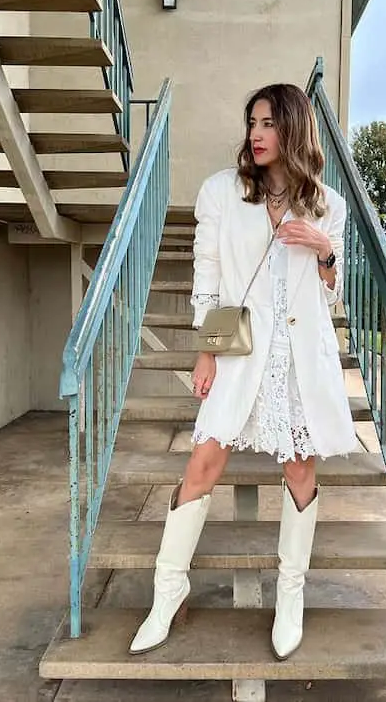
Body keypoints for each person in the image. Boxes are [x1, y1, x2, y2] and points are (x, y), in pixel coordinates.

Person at [129, 83, 357, 660]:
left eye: (267, 123)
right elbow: (206, 274)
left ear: (294, 129)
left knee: (299, 468)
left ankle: (291, 597)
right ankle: (167, 592)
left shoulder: (328, 203)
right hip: (240, 350)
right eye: (251, 122)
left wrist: (324, 251)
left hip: (300, 356)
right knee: (204, 458)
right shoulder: (221, 193)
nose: (254, 134)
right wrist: (206, 349)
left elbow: (332, 296)